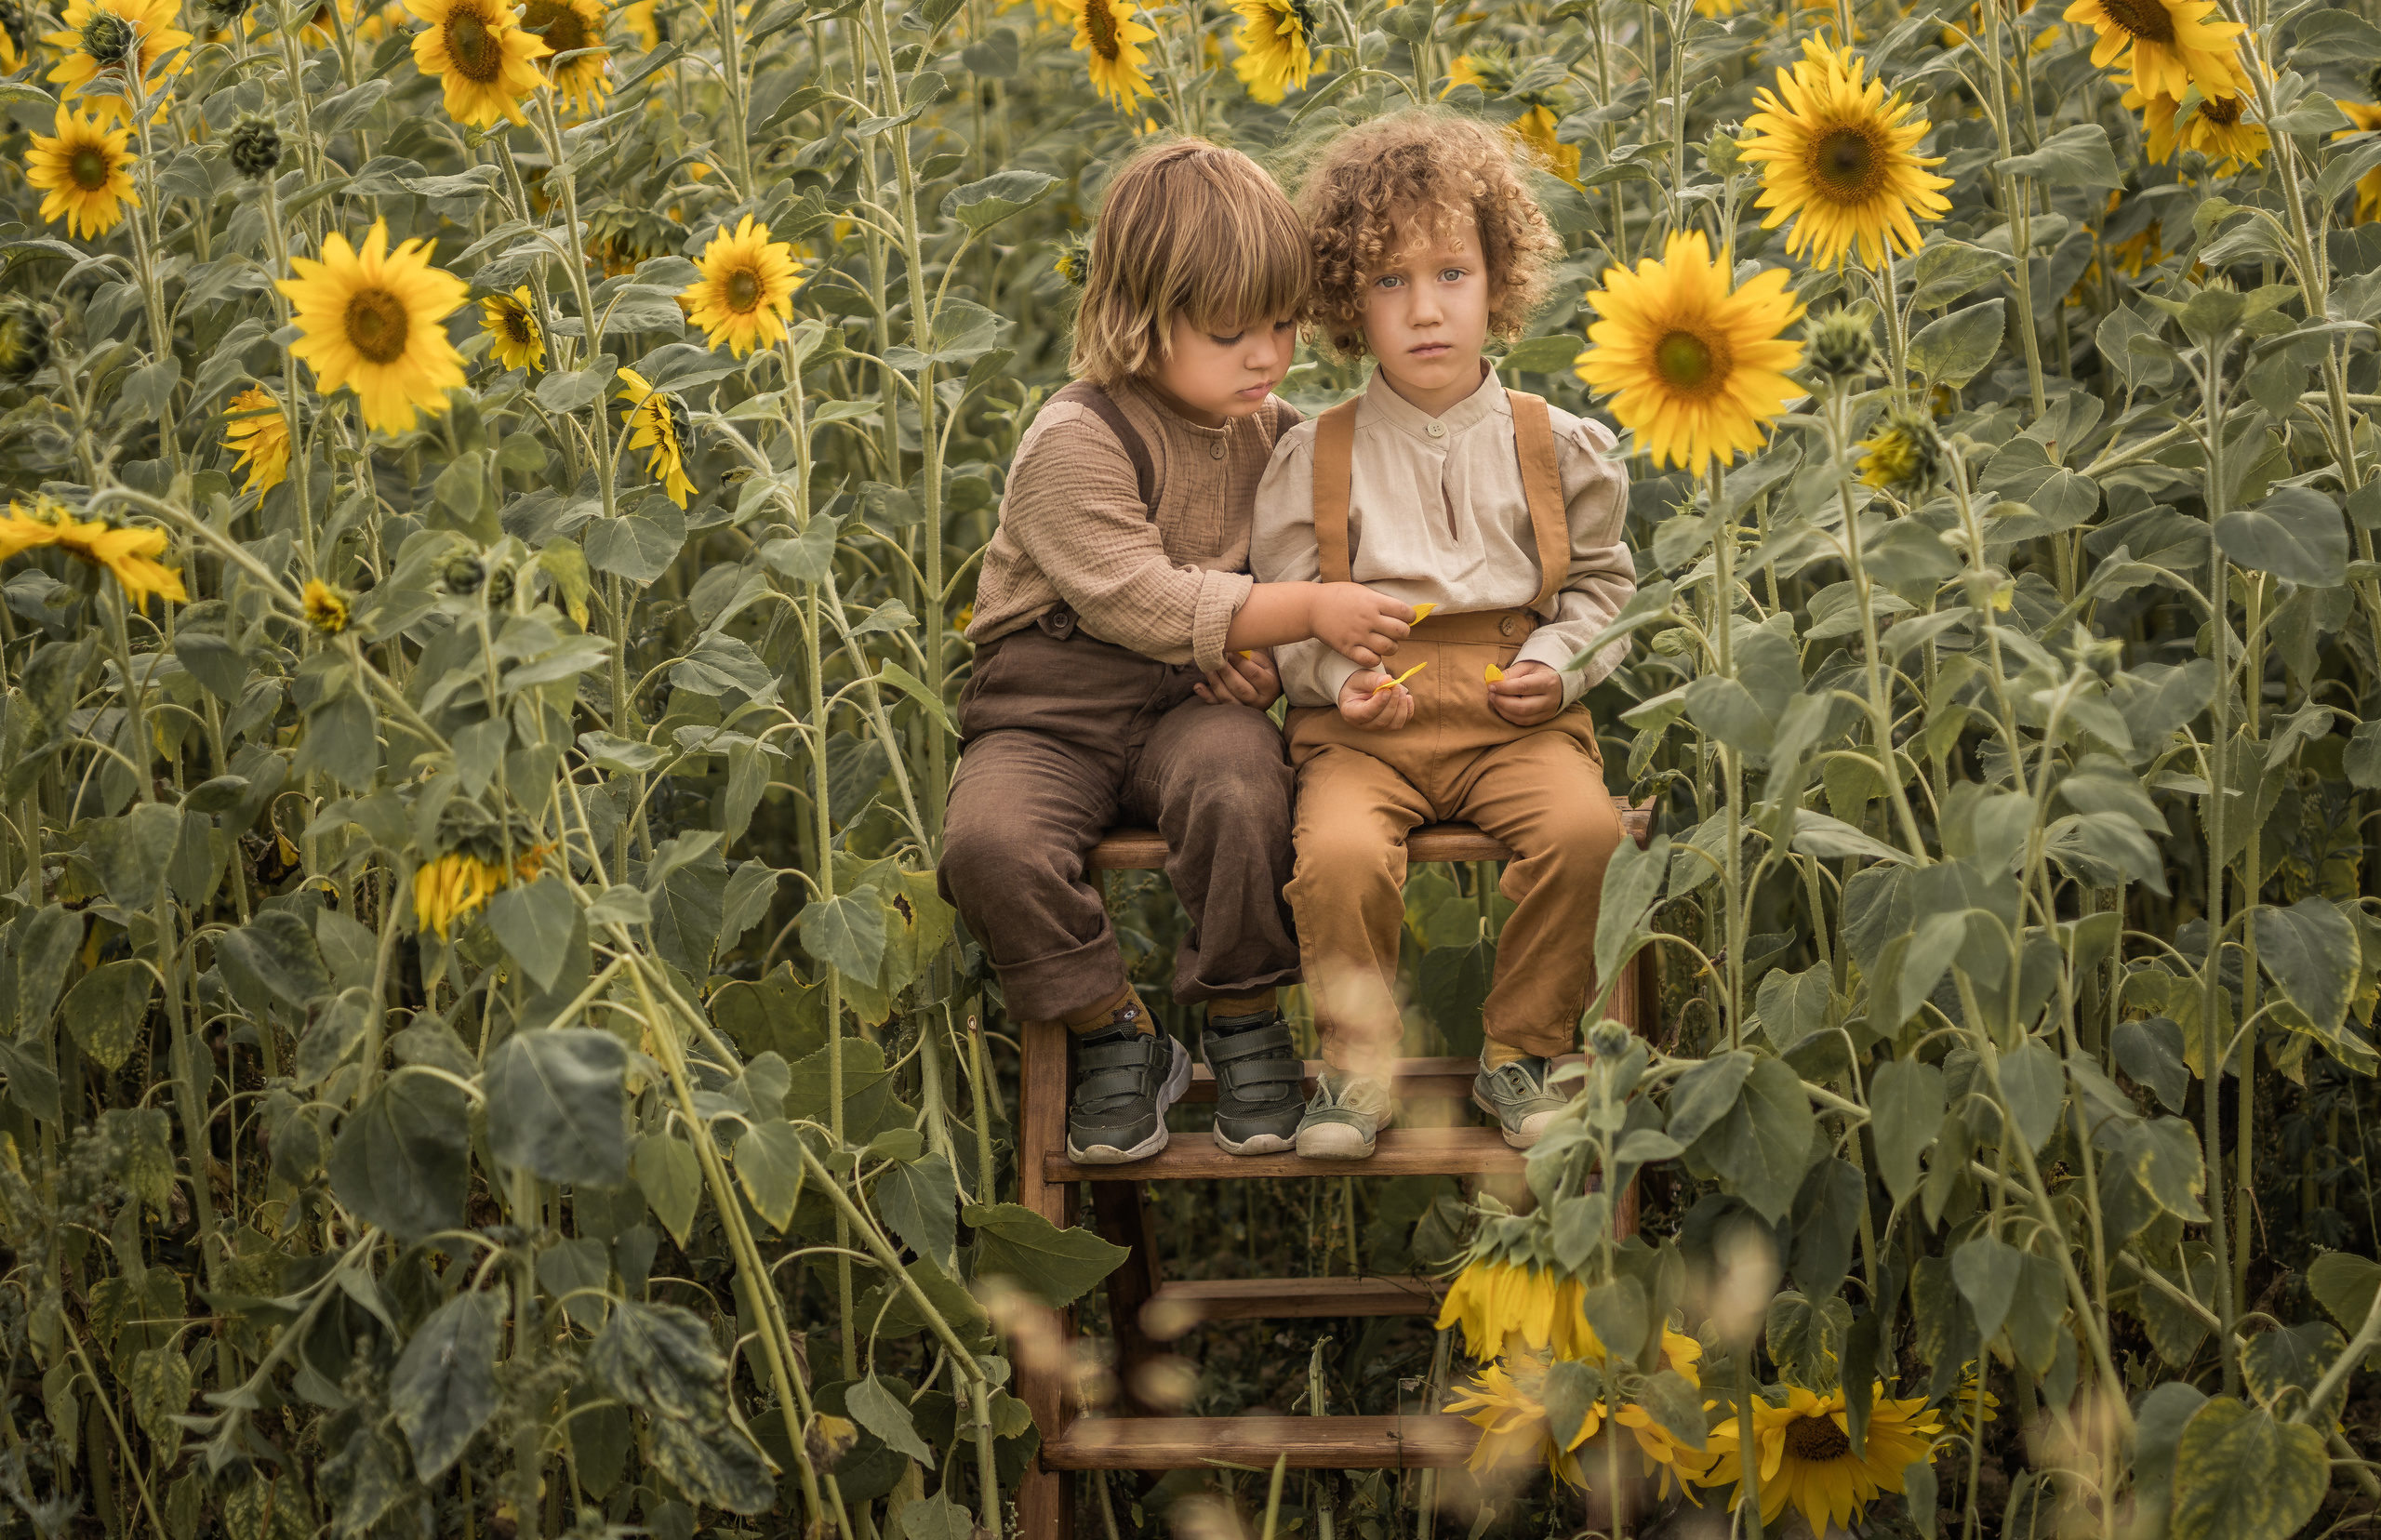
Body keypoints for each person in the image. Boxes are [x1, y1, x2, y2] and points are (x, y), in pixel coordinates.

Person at [941, 139, 1412, 1165]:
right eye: (1229, 332)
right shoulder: (1076, 437)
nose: (1264, 358)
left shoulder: (1278, 435)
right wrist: (1297, 611)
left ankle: (1243, 1013)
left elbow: (1304, 572)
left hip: (1194, 707)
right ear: (1137, 318)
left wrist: (1274, 660)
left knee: (1244, 789)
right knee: (989, 846)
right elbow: (1140, 596)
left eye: (1281, 324)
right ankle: (1113, 1026)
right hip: (1047, 717)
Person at [1250, 111, 1639, 1159]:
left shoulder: (1556, 444)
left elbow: (1604, 589)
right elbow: (1284, 602)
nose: (1425, 309)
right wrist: (1333, 675)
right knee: (1336, 858)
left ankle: (1526, 1051)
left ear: (1498, 278)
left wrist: (1558, 666)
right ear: (1347, 301)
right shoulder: (1314, 456)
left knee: (1587, 835)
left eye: (1452, 273)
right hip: (1366, 724)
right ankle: (1356, 1069)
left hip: (1517, 714)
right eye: (1389, 281)